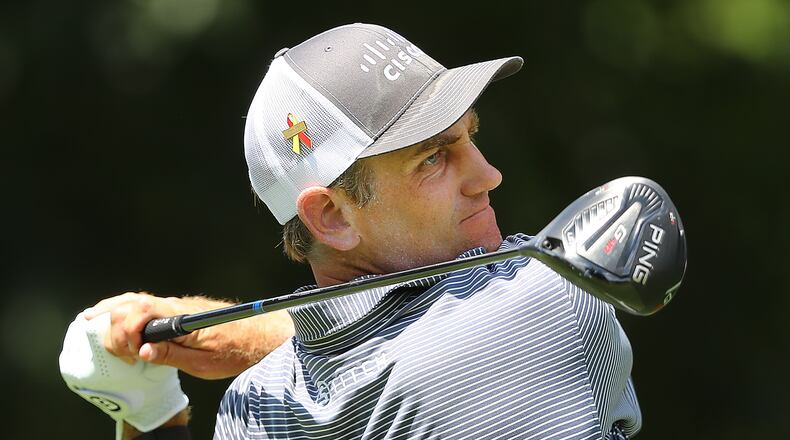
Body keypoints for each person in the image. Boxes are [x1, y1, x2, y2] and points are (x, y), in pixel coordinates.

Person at [62, 23, 642, 440]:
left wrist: (153, 414)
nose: (488, 175)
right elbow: (410, 339)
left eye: (470, 137)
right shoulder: (544, 298)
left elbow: (366, 339)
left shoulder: (255, 411)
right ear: (332, 217)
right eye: (434, 158)